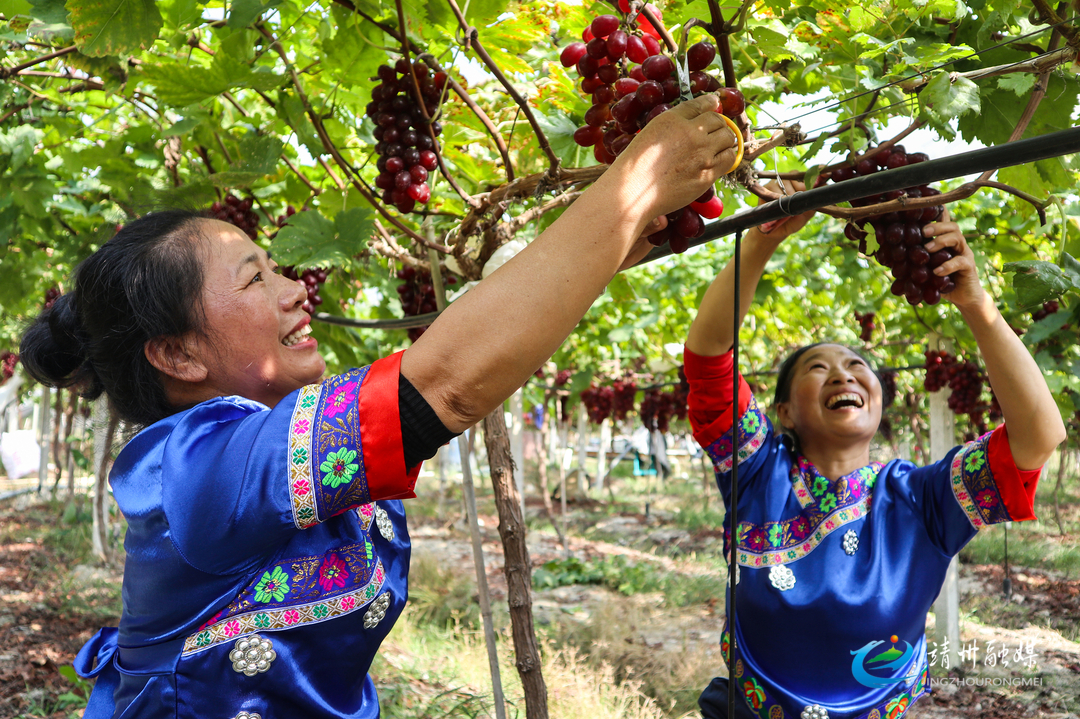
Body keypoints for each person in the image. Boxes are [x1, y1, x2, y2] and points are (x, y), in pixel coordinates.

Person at [18, 95, 739, 719]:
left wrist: (602, 245)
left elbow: (456, 360)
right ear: (178, 356)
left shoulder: (283, 437)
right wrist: (632, 182)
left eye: (277, 265)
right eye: (254, 279)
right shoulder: (196, 466)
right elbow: (447, 382)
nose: (296, 287)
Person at [683, 191, 1065, 719]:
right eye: (817, 367)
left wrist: (979, 306)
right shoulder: (756, 471)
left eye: (857, 365)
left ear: (877, 399)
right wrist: (758, 245)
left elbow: (1038, 435)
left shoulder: (923, 499)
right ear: (784, 412)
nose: (843, 372)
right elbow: (709, 359)